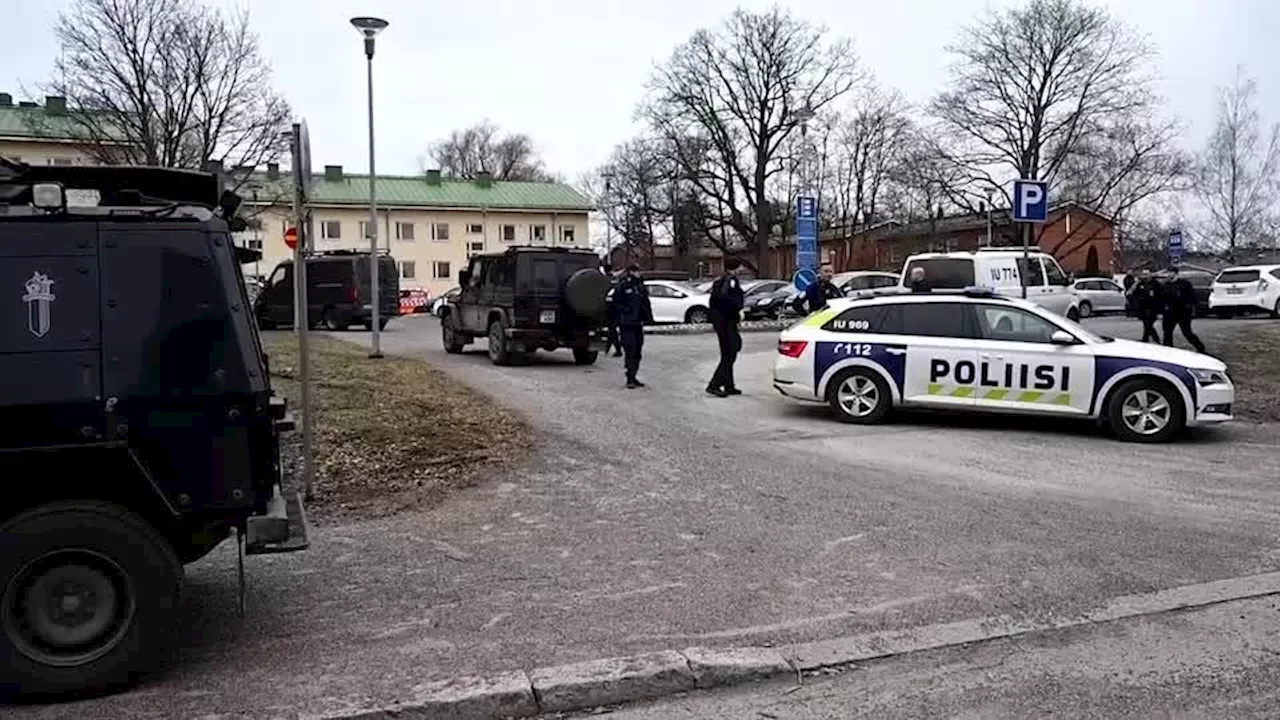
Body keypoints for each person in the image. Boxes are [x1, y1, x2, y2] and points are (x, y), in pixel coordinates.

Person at [607, 263, 652, 388]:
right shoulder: (622, 285)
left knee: (638, 350)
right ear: (631, 272)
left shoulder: (640, 285)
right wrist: (625, 313)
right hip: (626, 324)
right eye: (636, 271)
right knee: (630, 350)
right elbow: (616, 303)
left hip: (638, 323)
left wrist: (647, 317)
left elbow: (645, 303)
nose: (638, 273)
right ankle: (630, 378)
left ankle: (634, 375)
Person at [706, 258, 746, 397]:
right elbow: (728, 300)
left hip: (722, 322)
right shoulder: (730, 281)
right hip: (726, 322)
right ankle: (714, 384)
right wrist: (738, 309)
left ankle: (729, 385)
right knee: (730, 354)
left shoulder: (721, 280)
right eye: (740, 266)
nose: (742, 269)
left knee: (729, 353)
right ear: (735, 267)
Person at [1160, 266, 1206, 353]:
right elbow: (1162, 298)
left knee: (1187, 332)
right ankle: (1168, 350)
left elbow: (1191, 297)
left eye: (1171, 272)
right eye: (1168, 273)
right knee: (1167, 332)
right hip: (1169, 312)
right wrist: (1162, 309)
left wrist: (1191, 308)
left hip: (1183, 312)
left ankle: (1200, 347)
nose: (1169, 274)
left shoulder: (1184, 284)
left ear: (1175, 273)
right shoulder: (1165, 285)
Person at [1131, 272, 1162, 343]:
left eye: (1147, 274)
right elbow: (1134, 293)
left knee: (1148, 325)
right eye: (1144, 274)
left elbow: (1160, 296)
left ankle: (1150, 339)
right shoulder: (1140, 283)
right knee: (1146, 325)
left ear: (1150, 274)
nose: (1145, 276)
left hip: (1152, 308)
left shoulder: (1155, 284)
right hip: (1143, 307)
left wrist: (1159, 309)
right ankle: (1149, 339)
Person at [602, 263, 622, 357]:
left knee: (612, 330)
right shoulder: (615, 279)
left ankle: (616, 349)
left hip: (609, 307)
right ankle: (608, 348)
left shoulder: (605, 279)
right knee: (612, 329)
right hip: (617, 307)